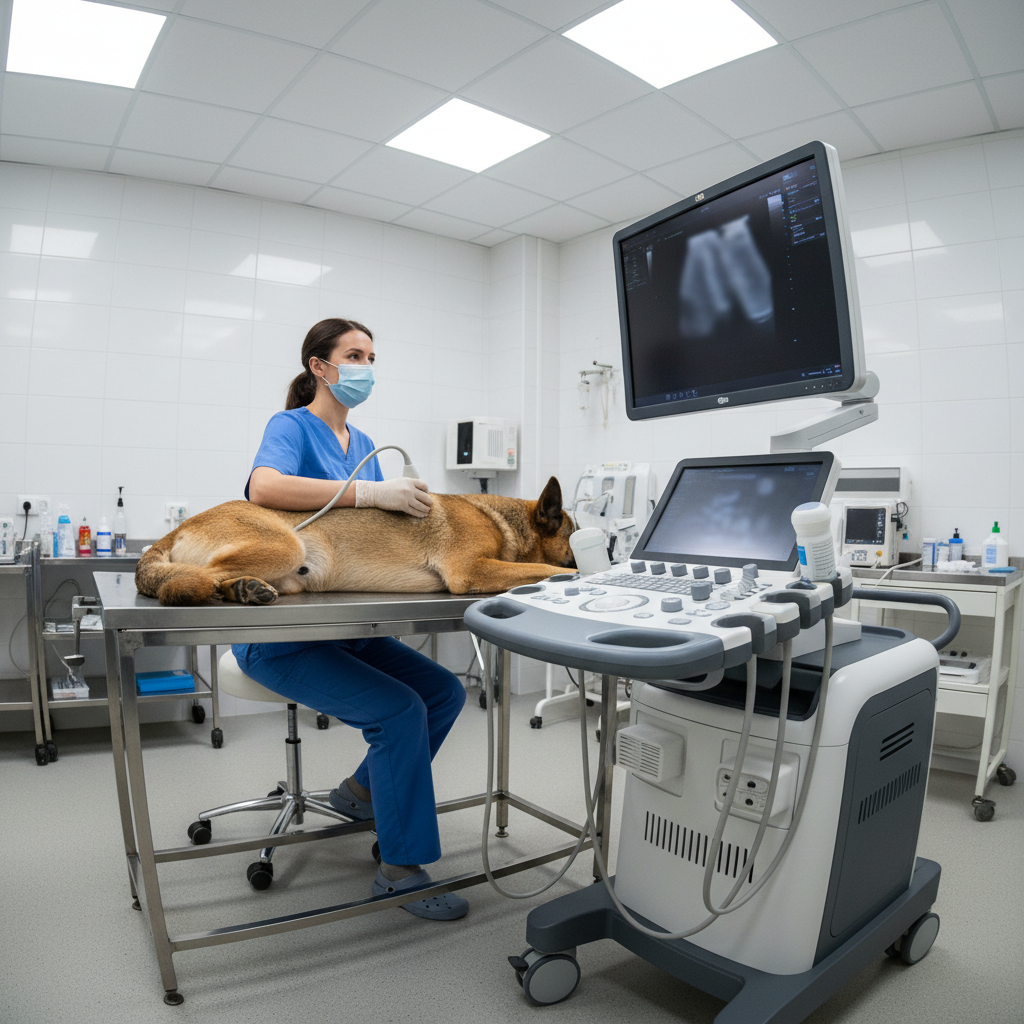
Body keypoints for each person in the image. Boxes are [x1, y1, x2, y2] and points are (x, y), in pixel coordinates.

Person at [232, 318, 469, 921]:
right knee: (399, 709)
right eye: (353, 355)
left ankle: (361, 792)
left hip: (346, 629)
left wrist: (410, 511)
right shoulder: (290, 425)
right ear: (320, 366)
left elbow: (368, 537)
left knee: (441, 691)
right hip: (282, 636)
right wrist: (370, 495)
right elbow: (264, 489)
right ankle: (400, 869)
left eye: (371, 356)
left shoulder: (362, 444)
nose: (365, 366)